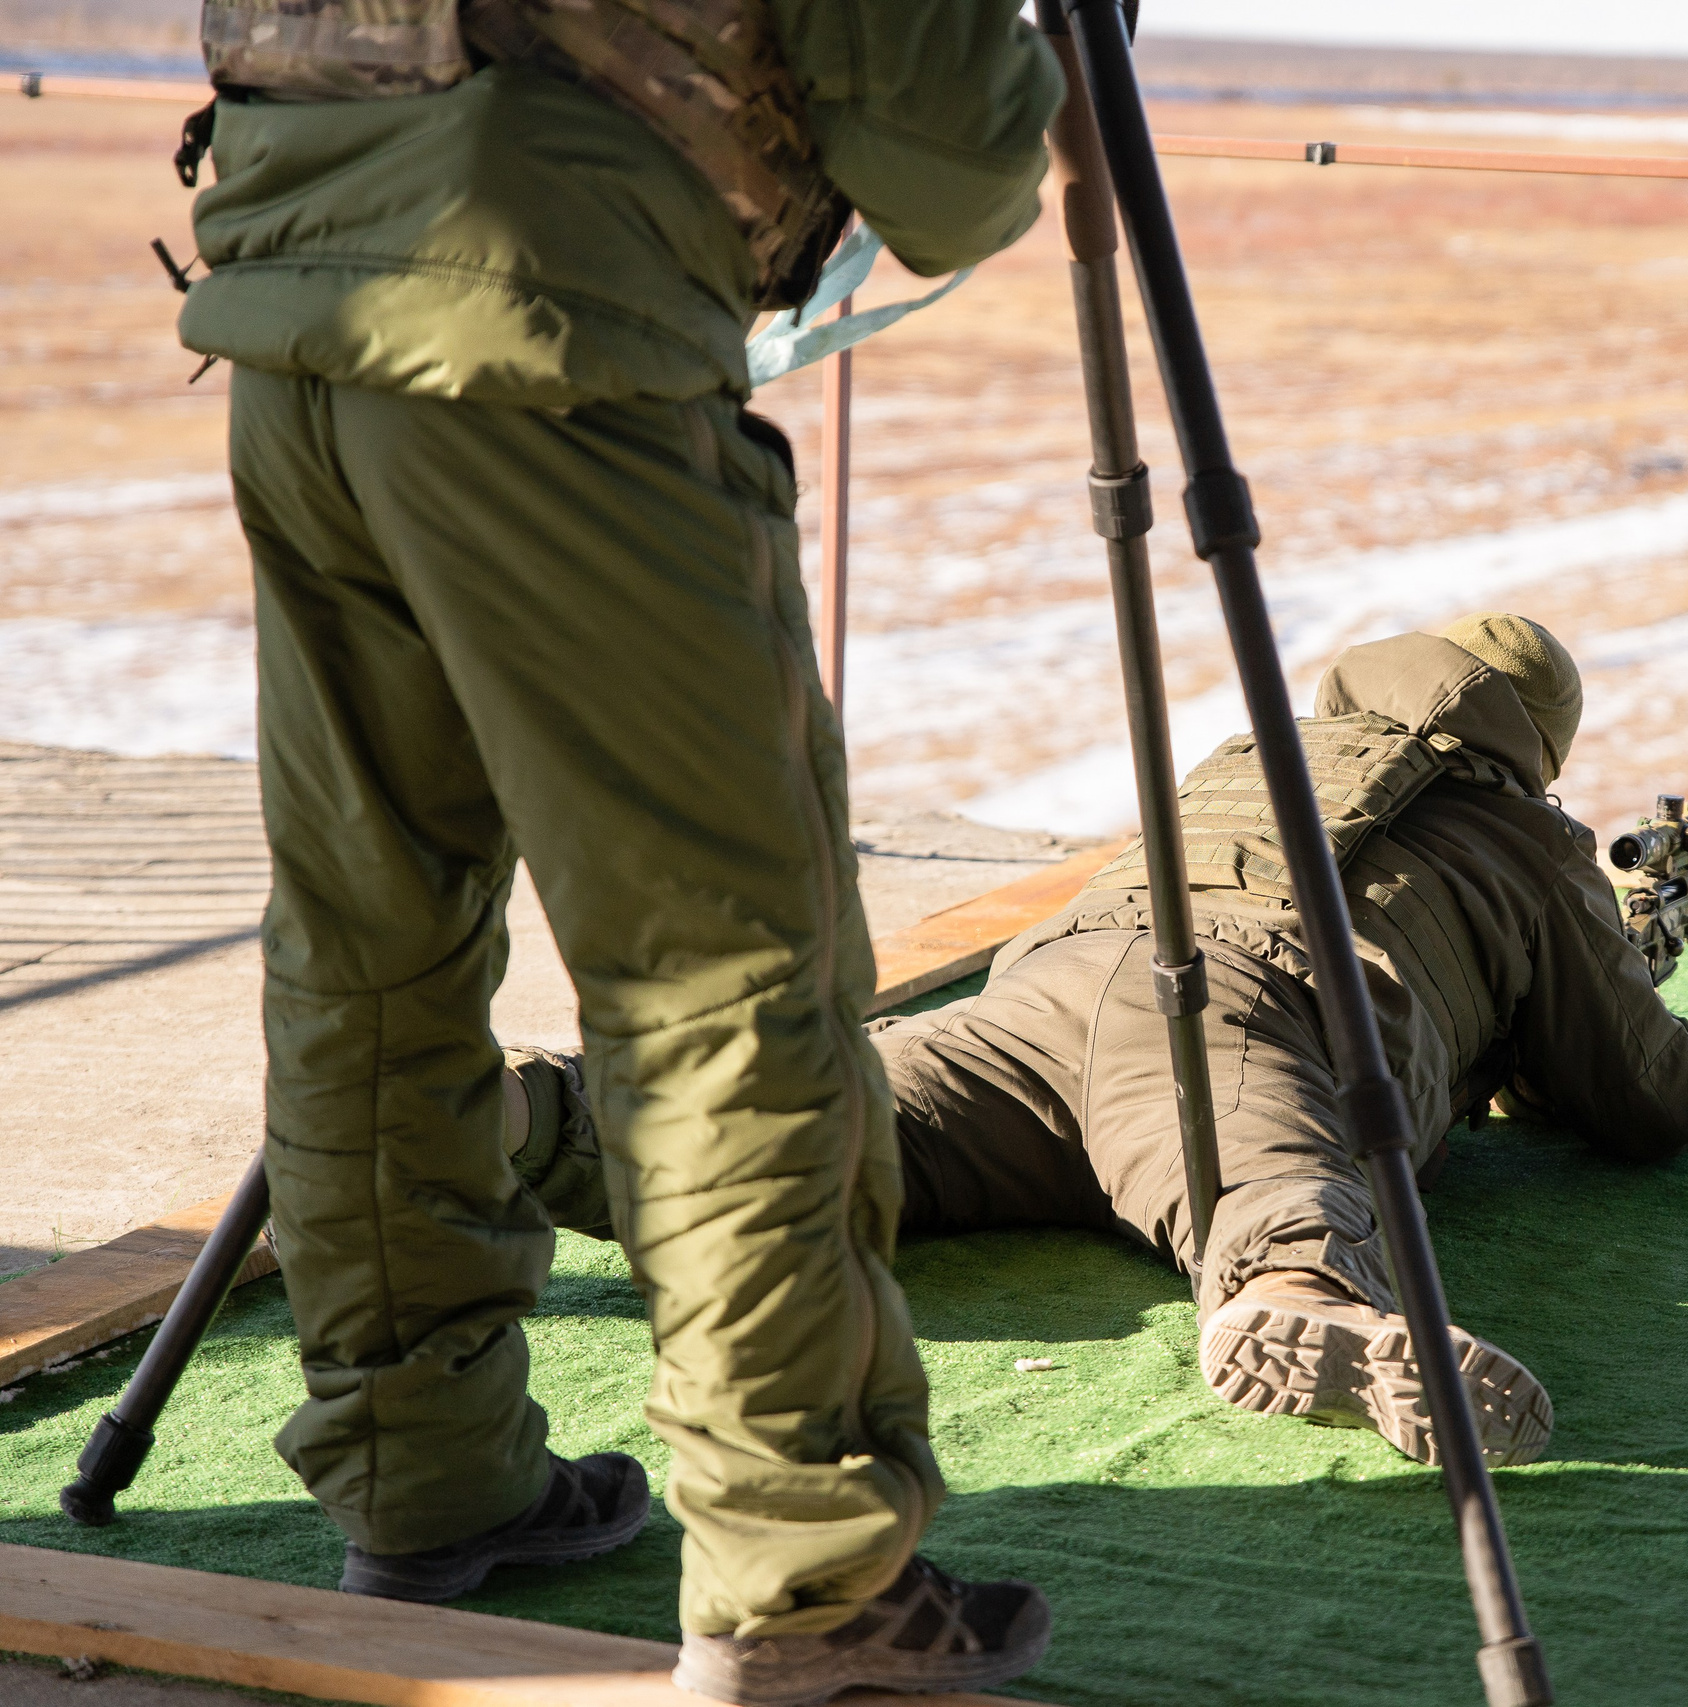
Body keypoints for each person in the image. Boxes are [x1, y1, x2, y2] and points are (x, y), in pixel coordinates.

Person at [175, 0, 1064, 1697]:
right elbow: (952, 163)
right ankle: (806, 1580)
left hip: (301, 304)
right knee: (724, 969)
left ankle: (427, 1478)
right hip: (553, 327)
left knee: (373, 947)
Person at [507, 615, 1688, 1468]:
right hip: (1233, 1005)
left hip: (1042, 989)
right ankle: (1306, 1301)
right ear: (1534, 750)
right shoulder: (1523, 838)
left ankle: (484, 1122)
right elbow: (1640, 1099)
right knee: (1265, 1179)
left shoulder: (1251, 753)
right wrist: (1683, 1046)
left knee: (776, 1123)